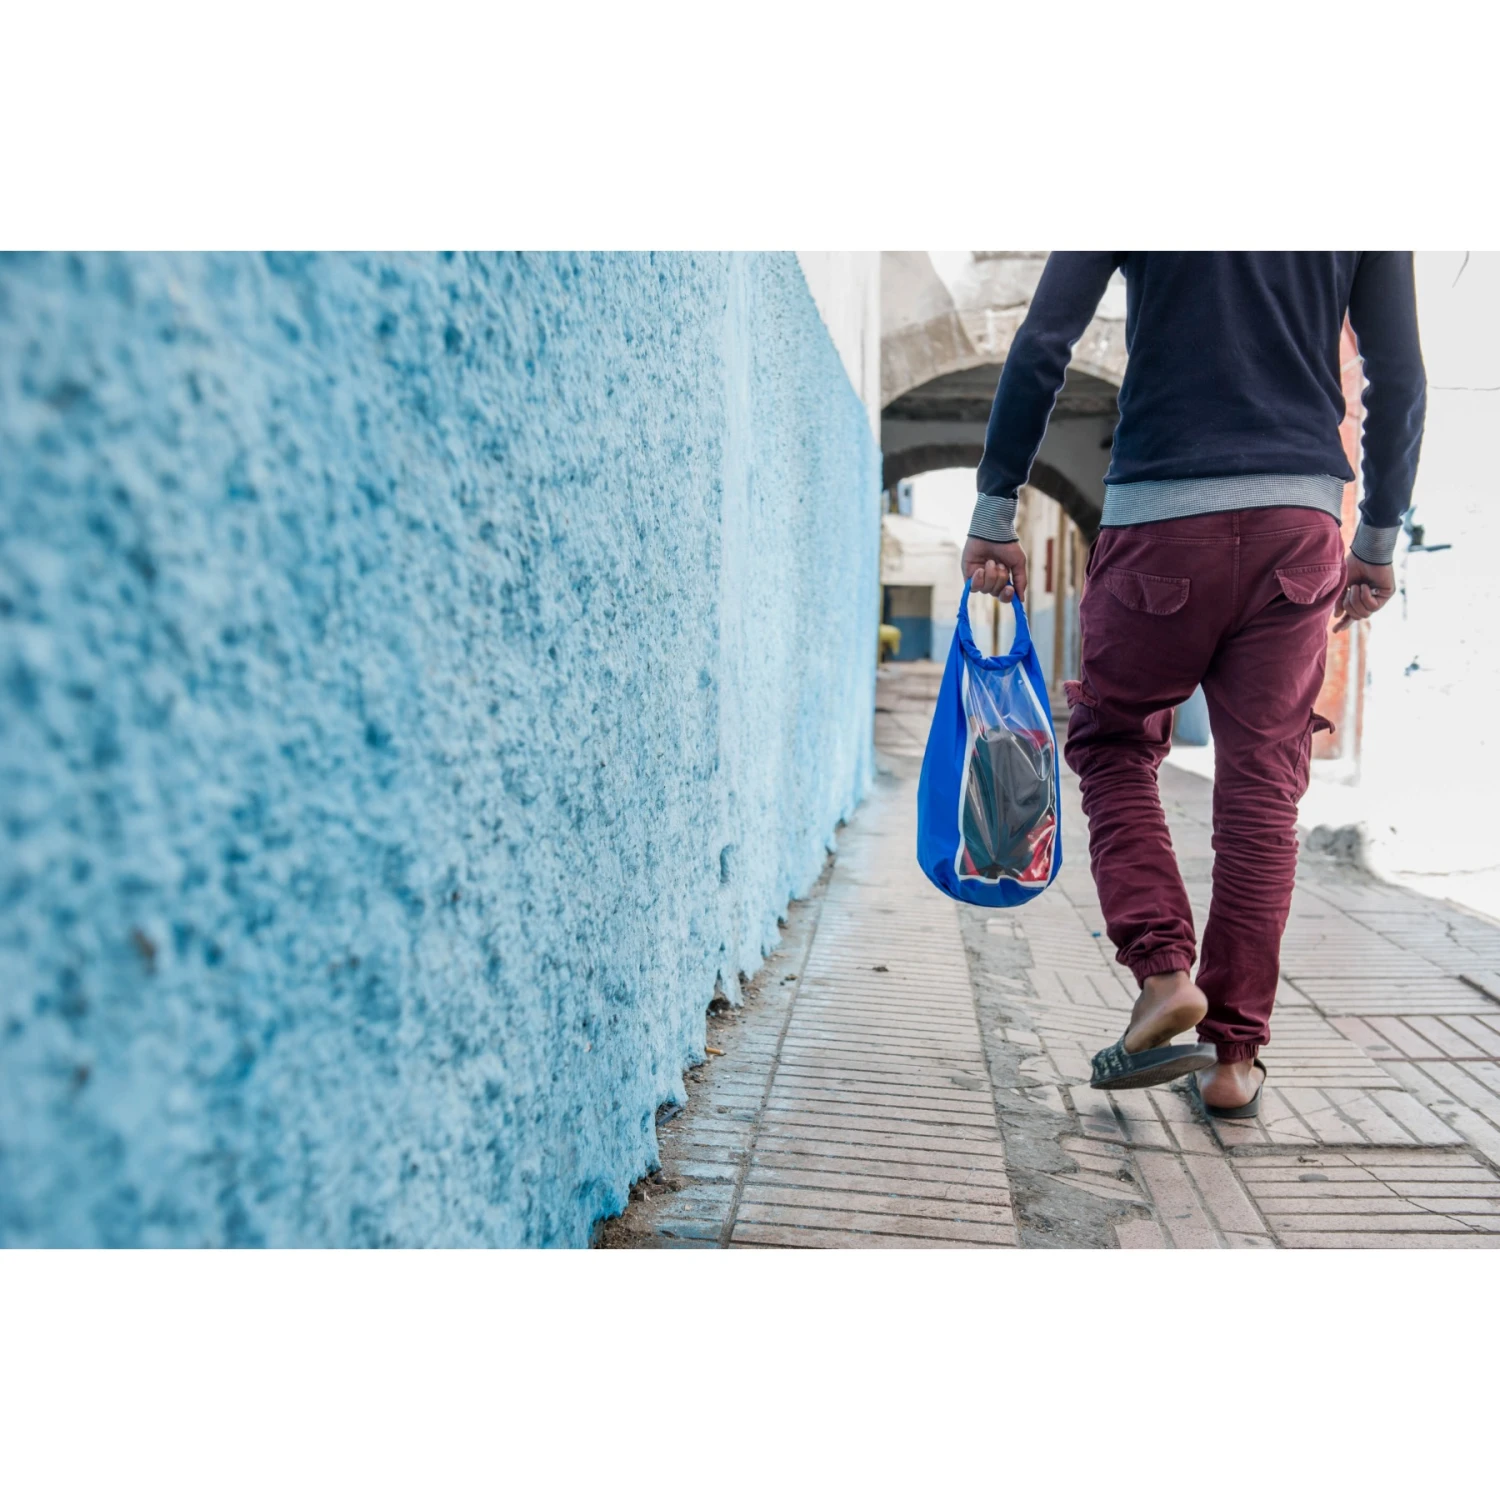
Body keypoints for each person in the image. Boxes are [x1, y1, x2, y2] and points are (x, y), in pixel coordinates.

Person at [964, 253, 1425, 1118]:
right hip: (1299, 524)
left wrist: (996, 508)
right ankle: (1232, 1058)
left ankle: (1165, 973)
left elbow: (1044, 341)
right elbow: (1396, 376)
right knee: (1263, 789)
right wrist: (1377, 538)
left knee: (1112, 741)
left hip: (1159, 520)